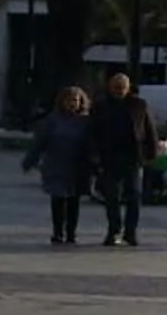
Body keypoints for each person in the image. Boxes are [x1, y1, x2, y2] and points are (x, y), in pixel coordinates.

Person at [89, 72, 159, 247]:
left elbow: (149, 129)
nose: (119, 90)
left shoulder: (139, 105)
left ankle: (130, 232)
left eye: (122, 87)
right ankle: (114, 230)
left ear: (128, 88)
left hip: (133, 156)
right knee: (111, 197)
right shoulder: (100, 106)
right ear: (109, 88)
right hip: (109, 157)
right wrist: (94, 155)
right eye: (116, 87)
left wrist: (152, 152)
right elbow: (92, 132)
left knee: (134, 195)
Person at [19, 85, 94, 245]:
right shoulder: (52, 120)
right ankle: (58, 232)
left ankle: (71, 233)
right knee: (58, 199)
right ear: (62, 102)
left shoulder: (86, 121)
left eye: (75, 100)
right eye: (69, 100)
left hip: (78, 166)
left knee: (74, 200)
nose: (72, 103)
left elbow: (94, 143)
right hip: (56, 164)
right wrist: (29, 161)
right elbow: (39, 142)